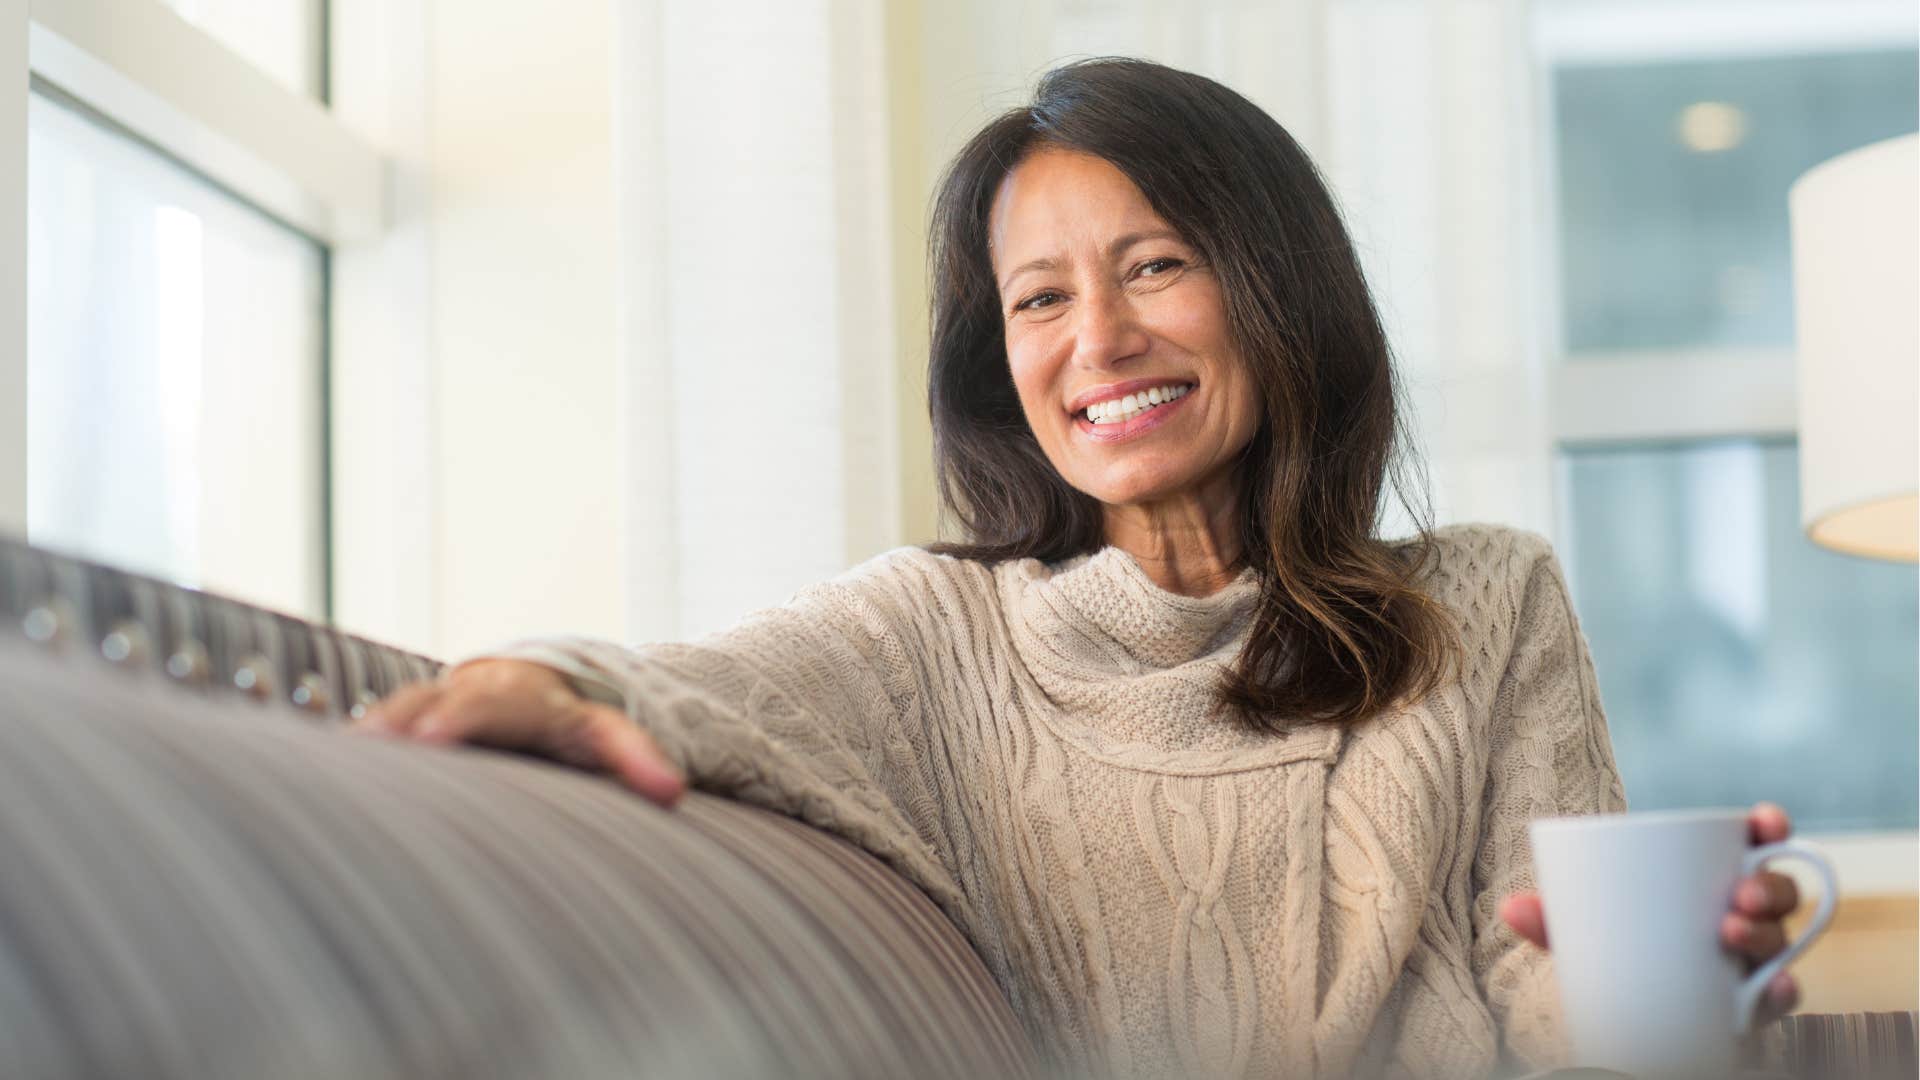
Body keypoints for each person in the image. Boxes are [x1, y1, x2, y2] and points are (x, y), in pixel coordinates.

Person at [356, 58, 1806, 1079]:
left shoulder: (1485, 600)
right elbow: (701, 689)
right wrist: (538, 679)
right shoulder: (939, 635)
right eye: (1038, 299)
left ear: (1278, 291)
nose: (1096, 341)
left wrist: (1684, 992)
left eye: (1157, 265)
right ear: (1001, 360)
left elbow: (1549, 1002)